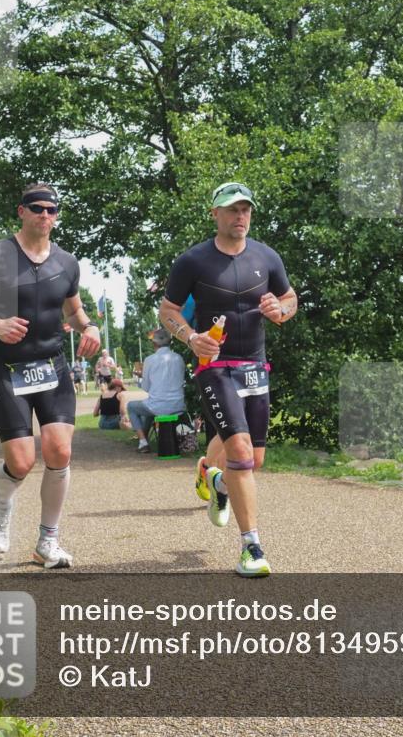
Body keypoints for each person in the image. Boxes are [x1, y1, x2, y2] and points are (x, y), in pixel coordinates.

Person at [0, 182, 101, 569]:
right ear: (21, 211)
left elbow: (73, 310)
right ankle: (2, 507)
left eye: (52, 210)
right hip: (8, 367)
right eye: (37, 208)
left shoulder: (68, 263)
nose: (45, 215)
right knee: (20, 462)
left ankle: (47, 543)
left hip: (52, 365)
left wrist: (90, 328)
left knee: (60, 450)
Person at [160, 181, 297, 577]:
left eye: (246, 210)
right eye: (232, 210)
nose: (240, 217)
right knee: (239, 454)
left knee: (253, 459)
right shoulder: (193, 261)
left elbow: (290, 299)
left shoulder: (267, 257)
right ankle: (251, 547)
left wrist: (280, 310)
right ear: (215, 214)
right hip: (215, 367)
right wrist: (191, 337)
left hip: (256, 365)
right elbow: (168, 311)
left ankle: (215, 480)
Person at [126, 327, 186, 454]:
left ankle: (142, 441)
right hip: (178, 404)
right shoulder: (179, 358)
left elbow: (146, 388)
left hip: (158, 406)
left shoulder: (149, 360)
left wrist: (141, 378)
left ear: (154, 343)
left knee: (131, 406)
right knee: (149, 405)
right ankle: (145, 439)